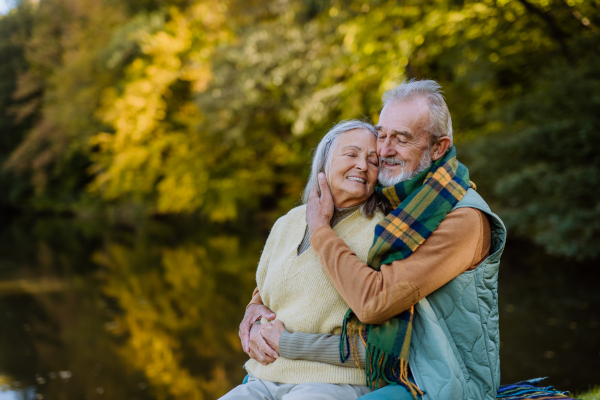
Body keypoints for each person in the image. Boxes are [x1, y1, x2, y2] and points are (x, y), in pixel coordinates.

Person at [240, 79, 507, 400]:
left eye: (402, 138)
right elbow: (292, 274)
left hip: (437, 375)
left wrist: (321, 229)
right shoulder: (395, 192)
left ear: (438, 147)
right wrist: (255, 312)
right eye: (381, 135)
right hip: (385, 365)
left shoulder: (461, 218)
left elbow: (373, 303)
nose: (383, 150)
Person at [220, 120, 388, 400]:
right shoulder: (288, 222)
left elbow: (380, 341)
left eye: (373, 161)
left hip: (334, 382)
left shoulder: (381, 231)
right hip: (267, 375)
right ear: (324, 160)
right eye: (351, 154)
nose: (362, 165)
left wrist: (286, 342)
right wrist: (252, 314)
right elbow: (266, 292)